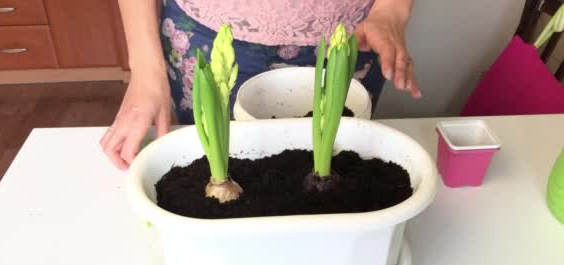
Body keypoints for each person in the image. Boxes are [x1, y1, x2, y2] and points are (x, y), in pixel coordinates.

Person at [101, 0, 421, 170]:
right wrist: (145, 68)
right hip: (204, 31)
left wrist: (391, 9)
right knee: (219, 160)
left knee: (333, 162)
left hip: (352, 35)